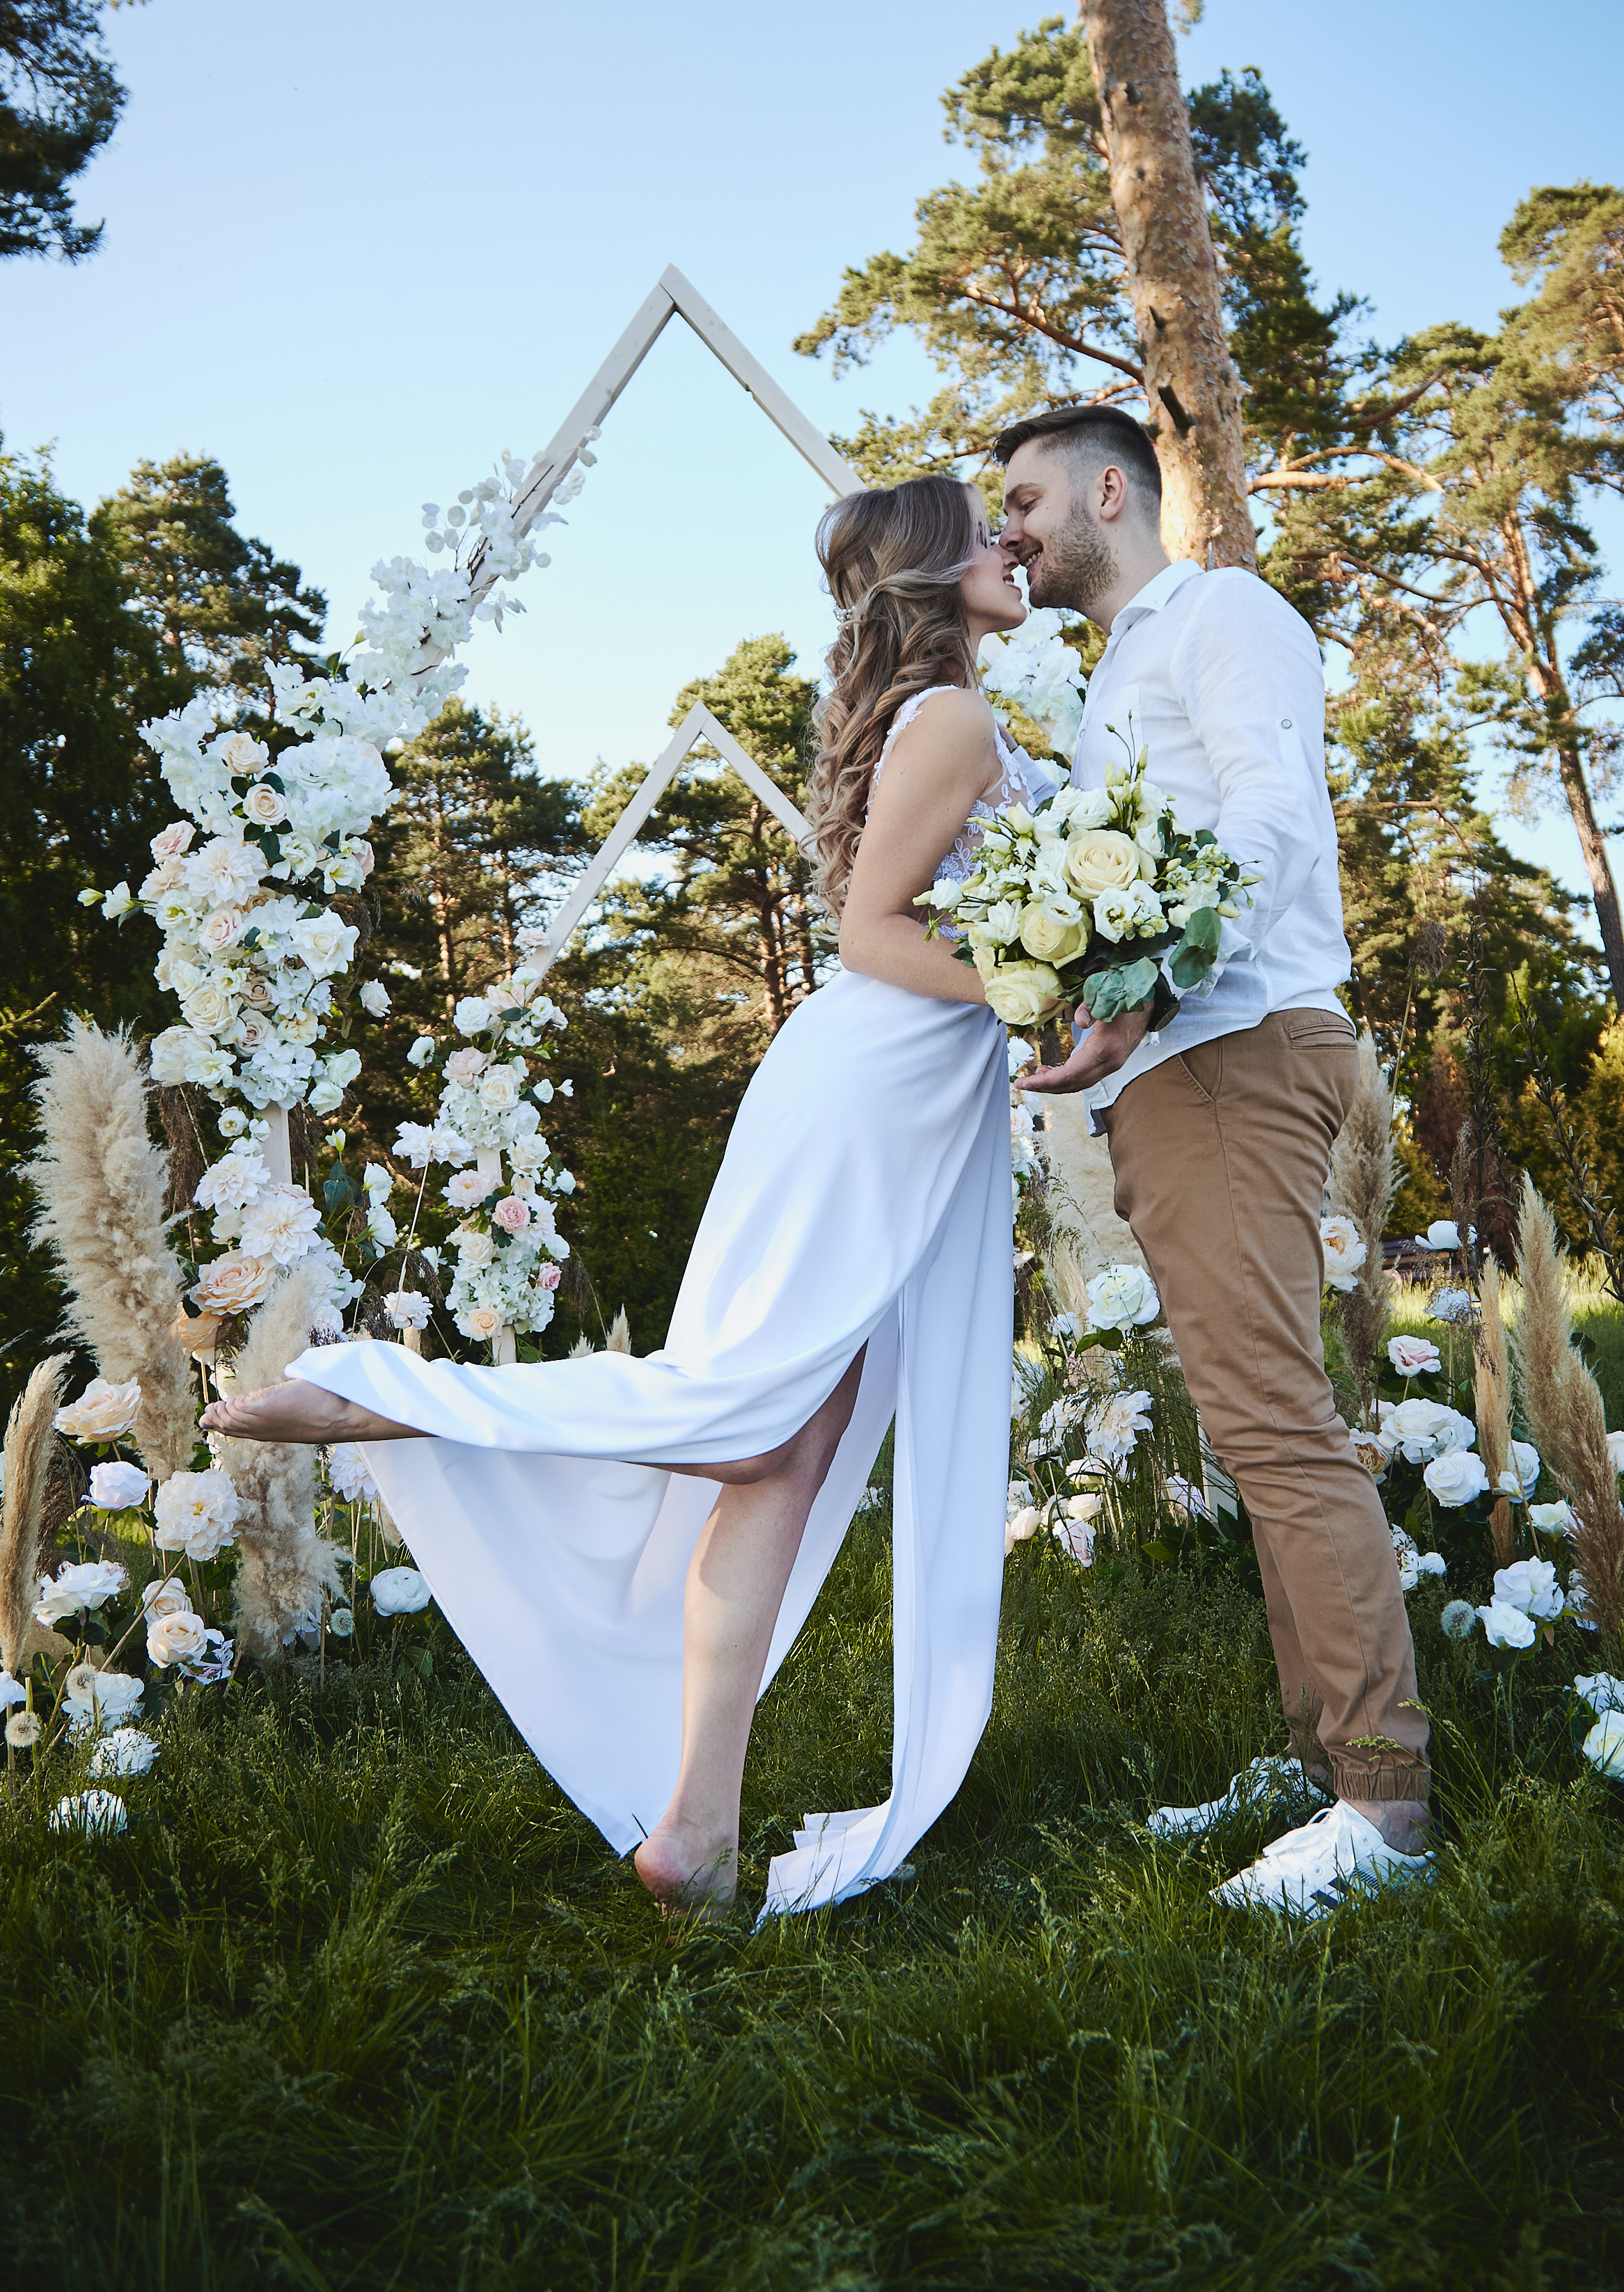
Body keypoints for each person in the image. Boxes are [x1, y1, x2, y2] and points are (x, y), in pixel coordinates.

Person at [203, 475, 1034, 1920]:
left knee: (782, 1442)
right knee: (744, 1408)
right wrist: (1038, 986)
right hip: (869, 1093)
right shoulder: (952, 718)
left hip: (889, 1093)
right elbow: (868, 931)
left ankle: (696, 1831)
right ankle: (391, 1395)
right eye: (983, 534)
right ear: (927, 577)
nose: (1010, 547)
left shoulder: (935, 715)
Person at [997, 403, 1431, 1913]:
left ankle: (1385, 1811)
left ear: (1110, 490)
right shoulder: (1113, 673)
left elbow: (1271, 816)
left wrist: (1146, 989)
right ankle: (1324, 1757)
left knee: (1278, 1423)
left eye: (1027, 498)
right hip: (1178, 1070)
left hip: (1238, 1047)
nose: (1012, 528)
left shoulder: (1224, 613)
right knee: (1253, 1428)